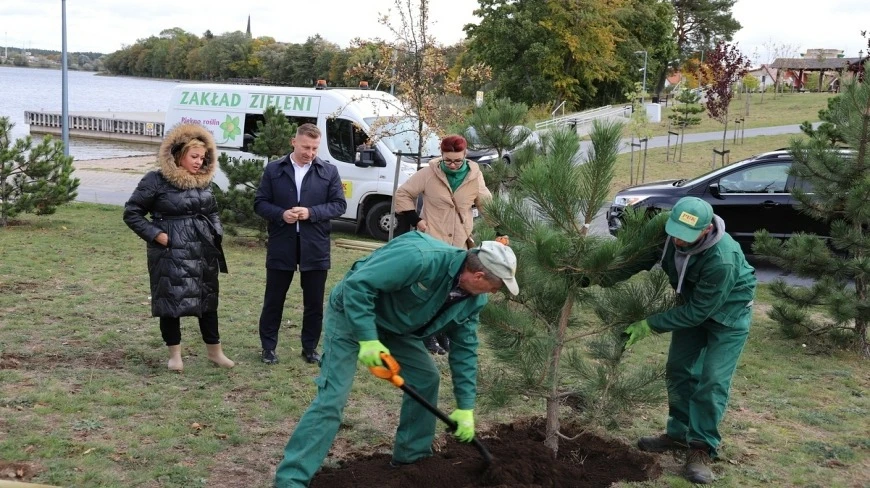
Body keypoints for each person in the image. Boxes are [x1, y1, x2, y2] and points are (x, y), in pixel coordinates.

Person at [273, 231, 518, 488]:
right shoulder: (421, 258)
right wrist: (368, 339)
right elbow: (358, 285)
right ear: (479, 276)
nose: (494, 292)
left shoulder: (473, 300)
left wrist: (466, 407)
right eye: (496, 286)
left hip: (397, 328)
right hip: (351, 314)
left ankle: (412, 459)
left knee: (426, 379)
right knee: (333, 398)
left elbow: (465, 349)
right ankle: (291, 479)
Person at [622, 196, 756, 485]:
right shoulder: (669, 234)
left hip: (728, 316)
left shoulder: (722, 258)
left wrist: (650, 324)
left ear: (706, 230)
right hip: (691, 308)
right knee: (678, 370)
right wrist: (592, 276)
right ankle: (679, 434)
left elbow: (698, 312)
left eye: (687, 238)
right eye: (675, 235)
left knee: (712, 381)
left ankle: (701, 448)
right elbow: (636, 260)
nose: (679, 242)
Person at [123, 123, 234, 372]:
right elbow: (132, 213)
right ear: (178, 154)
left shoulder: (203, 182)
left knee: (207, 300)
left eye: (202, 157)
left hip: (203, 250)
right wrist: (157, 235)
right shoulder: (156, 180)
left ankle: (215, 352)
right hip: (169, 250)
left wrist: (216, 232)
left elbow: (212, 211)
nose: (198, 162)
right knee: (170, 301)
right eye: (194, 156)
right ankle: (175, 356)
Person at [254, 123, 347, 365]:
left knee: (314, 302)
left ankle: (310, 348)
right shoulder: (274, 169)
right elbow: (260, 203)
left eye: (315, 148)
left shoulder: (329, 171)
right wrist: (280, 214)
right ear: (293, 142)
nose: (310, 152)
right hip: (282, 243)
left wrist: (311, 212)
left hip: (315, 245)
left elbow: (339, 205)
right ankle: (268, 347)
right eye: (306, 147)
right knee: (274, 299)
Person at [394, 134, 492, 355]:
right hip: (432, 242)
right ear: (442, 156)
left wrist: (501, 229)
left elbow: (487, 204)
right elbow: (403, 194)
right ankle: (426, 335)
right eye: (448, 160)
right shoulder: (429, 173)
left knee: (453, 291)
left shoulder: (475, 176)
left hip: (459, 245)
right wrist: (417, 222)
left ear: (465, 155)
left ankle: (443, 333)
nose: (453, 165)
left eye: (457, 160)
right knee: (430, 291)